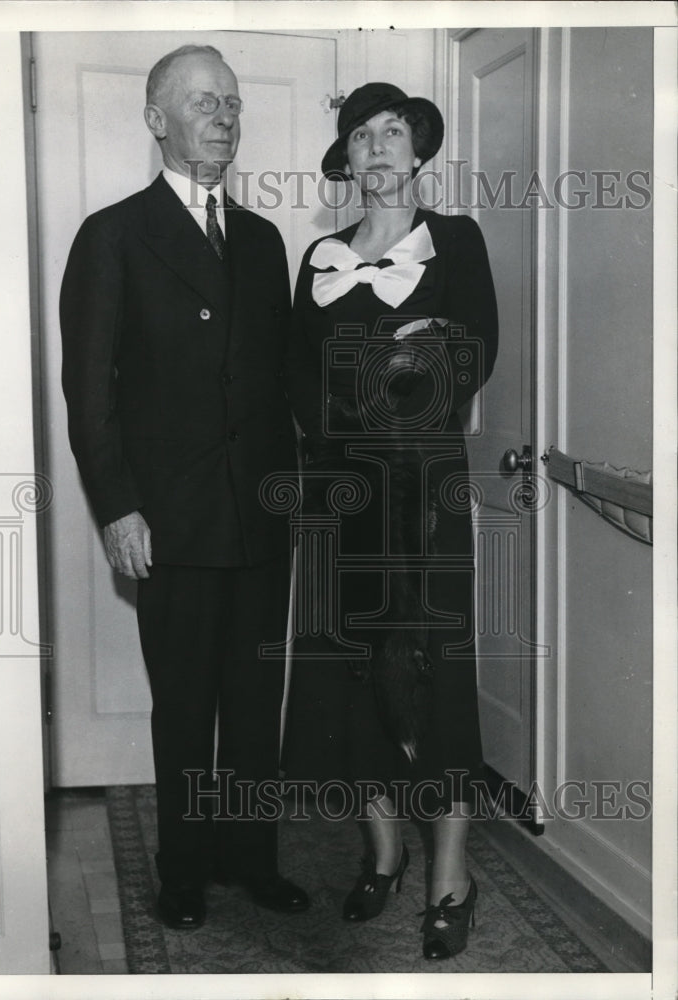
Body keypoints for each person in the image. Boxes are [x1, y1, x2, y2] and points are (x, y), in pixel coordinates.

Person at [60, 44, 308, 930]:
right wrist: (117, 507)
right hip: (169, 519)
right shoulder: (114, 235)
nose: (224, 117)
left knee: (252, 701)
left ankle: (252, 860)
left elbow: (275, 382)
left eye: (233, 105)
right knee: (186, 706)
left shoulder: (264, 239)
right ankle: (184, 871)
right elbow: (88, 392)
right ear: (157, 119)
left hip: (258, 513)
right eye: (204, 103)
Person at [283, 82, 498, 959]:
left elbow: (468, 355)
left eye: (393, 133)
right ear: (345, 156)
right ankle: (382, 852)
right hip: (341, 500)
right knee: (348, 679)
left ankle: (450, 872)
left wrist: (375, 376)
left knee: (431, 673)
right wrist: (387, 363)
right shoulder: (318, 257)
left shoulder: (456, 241)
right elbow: (298, 383)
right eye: (360, 134)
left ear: (417, 153)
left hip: (424, 497)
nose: (376, 147)